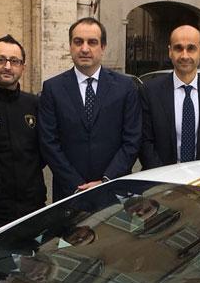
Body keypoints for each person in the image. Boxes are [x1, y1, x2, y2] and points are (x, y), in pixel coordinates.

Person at [38, 17, 142, 200]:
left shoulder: (125, 87)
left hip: (114, 189)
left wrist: (107, 180)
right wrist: (75, 185)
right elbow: (49, 142)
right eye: (78, 42)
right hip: (69, 193)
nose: (84, 49)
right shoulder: (53, 88)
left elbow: (132, 140)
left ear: (103, 47)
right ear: (70, 46)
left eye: (92, 42)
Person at [0, 35, 46, 227]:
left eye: (14, 61)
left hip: (33, 207)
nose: (7, 66)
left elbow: (44, 150)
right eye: (0, 60)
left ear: (23, 67)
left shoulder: (35, 105)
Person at [140, 24, 200, 169]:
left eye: (191, 48)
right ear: (170, 51)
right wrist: (165, 177)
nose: (184, 55)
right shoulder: (150, 91)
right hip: (160, 178)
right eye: (178, 48)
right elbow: (144, 142)